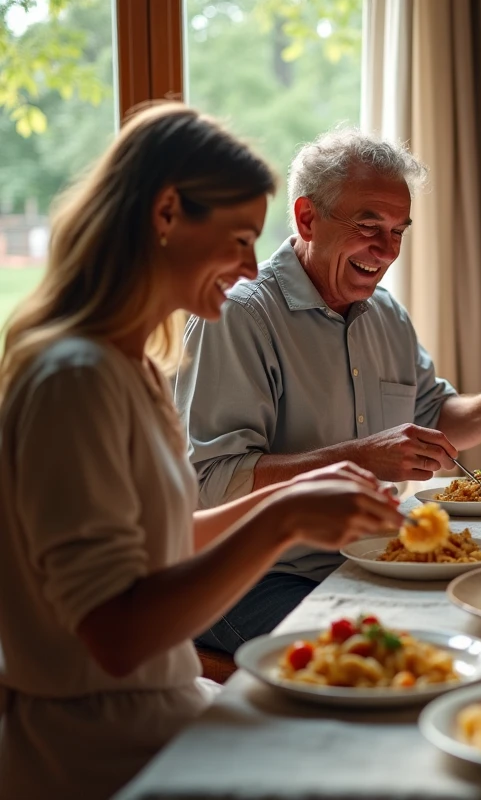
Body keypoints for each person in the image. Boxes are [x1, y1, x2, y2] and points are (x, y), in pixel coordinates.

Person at [0, 104, 406, 799]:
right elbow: (117, 636)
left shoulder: (127, 365)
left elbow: (161, 544)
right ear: (165, 216)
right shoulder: (73, 379)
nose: (254, 263)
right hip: (98, 745)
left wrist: (292, 499)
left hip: (162, 703)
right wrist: (283, 522)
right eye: (241, 237)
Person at [174, 128, 481, 654]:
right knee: (405, 654)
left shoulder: (386, 313)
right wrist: (363, 459)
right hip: (254, 577)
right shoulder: (239, 316)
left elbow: (436, 420)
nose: (386, 249)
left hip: (369, 557)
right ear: (307, 218)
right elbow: (211, 485)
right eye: (367, 225)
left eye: (399, 230)